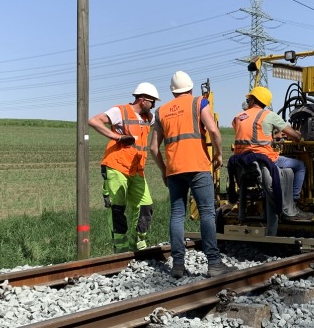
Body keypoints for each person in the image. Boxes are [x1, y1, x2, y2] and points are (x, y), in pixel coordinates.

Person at [149, 71, 237, 279]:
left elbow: (153, 148)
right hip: (198, 166)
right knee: (207, 212)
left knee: (176, 215)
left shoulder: (161, 111)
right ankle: (214, 263)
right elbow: (214, 131)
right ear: (190, 88)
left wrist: (164, 170)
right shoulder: (199, 103)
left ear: (173, 91)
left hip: (174, 170)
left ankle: (178, 265)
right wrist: (218, 154)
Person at [88, 82, 159, 253]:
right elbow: (94, 121)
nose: (154, 105)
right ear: (142, 100)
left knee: (145, 206)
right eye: (152, 101)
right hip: (116, 167)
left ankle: (139, 245)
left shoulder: (148, 117)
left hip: (137, 170)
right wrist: (117, 137)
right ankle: (120, 251)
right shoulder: (120, 111)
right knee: (118, 208)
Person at [231, 86, 312, 221]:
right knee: (300, 165)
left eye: (248, 98)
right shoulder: (269, 115)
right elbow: (296, 137)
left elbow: (251, 135)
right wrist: (300, 135)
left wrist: (273, 137)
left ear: (253, 100)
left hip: (242, 161)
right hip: (264, 159)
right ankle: (294, 203)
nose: (247, 100)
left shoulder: (238, 117)